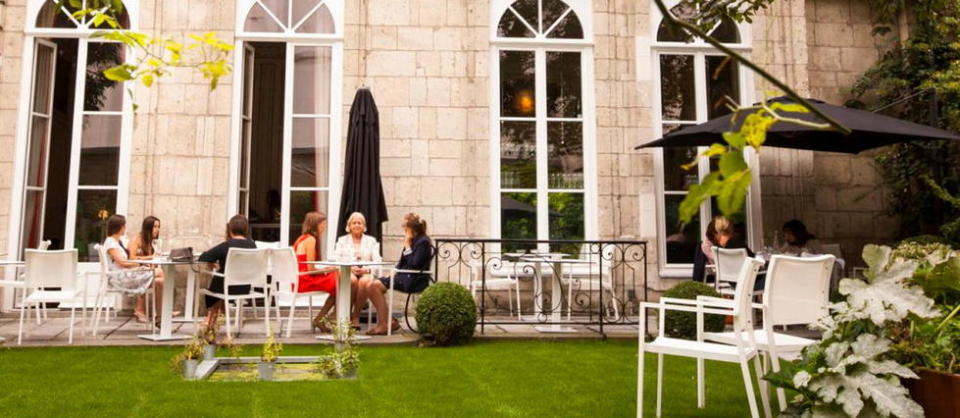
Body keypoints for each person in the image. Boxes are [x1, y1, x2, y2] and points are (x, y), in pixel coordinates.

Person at [357, 213, 433, 336]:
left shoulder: (423, 241)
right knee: (371, 285)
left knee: (373, 286)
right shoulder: (413, 240)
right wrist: (393, 272)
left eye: (405, 228)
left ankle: (384, 324)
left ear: (410, 228)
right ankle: (388, 322)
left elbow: (415, 264)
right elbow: (402, 262)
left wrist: (407, 246)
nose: (404, 231)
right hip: (404, 276)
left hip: (414, 279)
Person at [199, 214, 257, 328]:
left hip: (227, 288)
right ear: (246, 229)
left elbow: (203, 257)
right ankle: (219, 315)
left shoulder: (227, 245)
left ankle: (211, 317)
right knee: (223, 276)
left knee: (220, 278)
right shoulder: (252, 245)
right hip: (244, 287)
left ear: (230, 229)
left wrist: (211, 262)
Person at [101, 215, 160, 323]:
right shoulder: (110, 242)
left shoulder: (117, 241)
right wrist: (140, 264)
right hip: (118, 278)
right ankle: (157, 312)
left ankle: (157, 313)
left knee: (159, 280)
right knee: (158, 273)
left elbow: (126, 261)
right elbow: (123, 262)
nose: (125, 228)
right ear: (119, 227)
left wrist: (141, 264)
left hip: (124, 274)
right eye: (124, 226)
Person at [290, 211, 343, 331]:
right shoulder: (310, 240)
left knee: (337, 281)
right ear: (315, 225)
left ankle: (321, 319)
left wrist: (324, 270)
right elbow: (310, 268)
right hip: (304, 280)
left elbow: (307, 266)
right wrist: (325, 270)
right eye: (323, 224)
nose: (324, 227)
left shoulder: (301, 238)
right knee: (340, 282)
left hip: (298, 279)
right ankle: (323, 318)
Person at [334, 212, 383, 327]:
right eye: (354, 223)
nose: (356, 225)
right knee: (352, 281)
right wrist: (349, 268)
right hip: (348, 271)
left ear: (364, 226)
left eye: (359, 223)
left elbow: (378, 260)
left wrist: (367, 270)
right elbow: (336, 259)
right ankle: (346, 315)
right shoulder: (342, 240)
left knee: (364, 282)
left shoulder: (371, 241)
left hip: (366, 271)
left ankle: (355, 316)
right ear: (349, 226)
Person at [692, 216, 754, 283]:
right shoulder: (736, 244)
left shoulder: (711, 248)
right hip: (747, 281)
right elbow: (752, 259)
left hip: (731, 280)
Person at [126, 216, 165, 323]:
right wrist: (151, 257)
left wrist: (154, 258)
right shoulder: (136, 239)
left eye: (159, 226)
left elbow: (152, 260)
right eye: (155, 226)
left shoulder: (151, 242)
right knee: (160, 272)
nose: (157, 229)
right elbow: (132, 258)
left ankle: (159, 315)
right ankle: (143, 310)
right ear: (148, 228)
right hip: (132, 272)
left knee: (160, 282)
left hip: (143, 272)